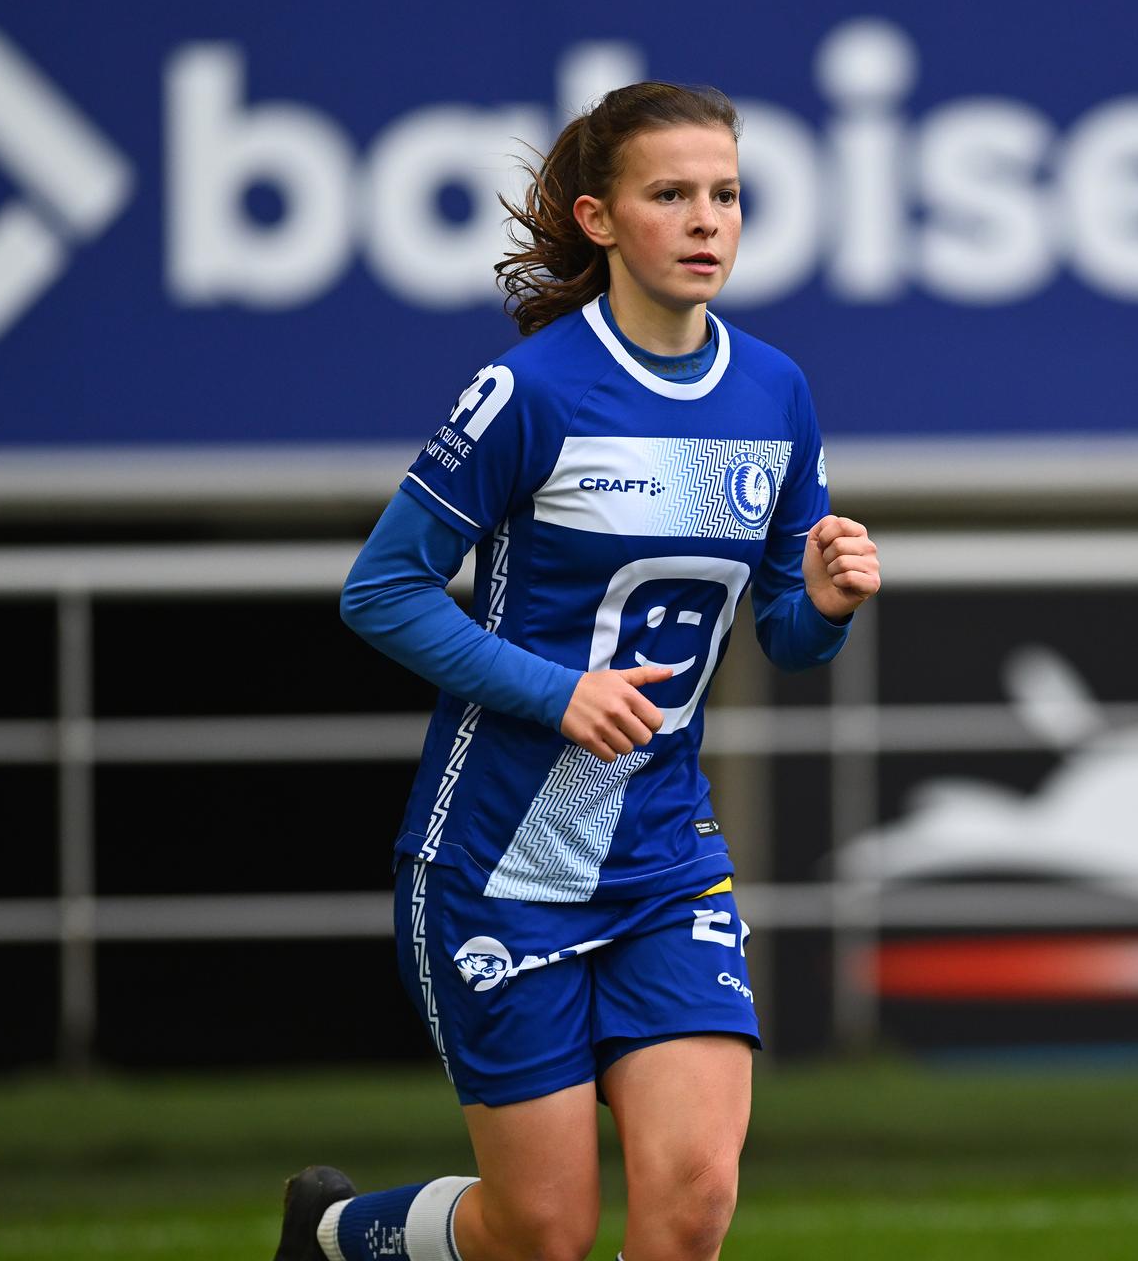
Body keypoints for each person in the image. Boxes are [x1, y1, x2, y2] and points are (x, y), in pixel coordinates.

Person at [274, 81, 881, 1261]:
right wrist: (555, 691)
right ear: (602, 220)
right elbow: (382, 589)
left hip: (664, 854)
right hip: (501, 856)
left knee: (695, 1195)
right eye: (672, 195)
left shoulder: (774, 392)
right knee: (540, 1231)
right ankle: (342, 1234)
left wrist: (825, 600)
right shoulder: (532, 391)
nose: (708, 220)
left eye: (727, 195)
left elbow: (786, 635)